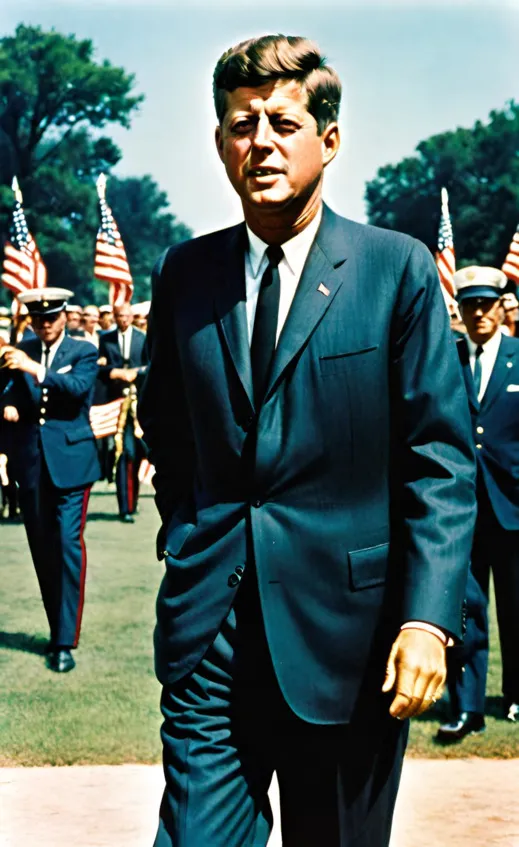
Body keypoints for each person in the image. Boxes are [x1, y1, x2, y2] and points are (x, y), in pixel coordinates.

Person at [139, 34, 476, 846]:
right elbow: (168, 432)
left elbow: (438, 462)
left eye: (283, 123)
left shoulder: (395, 271)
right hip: (211, 637)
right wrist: (187, 537)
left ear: (328, 140)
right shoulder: (185, 274)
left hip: (351, 646)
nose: (260, 142)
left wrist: (425, 621)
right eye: (241, 123)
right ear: (219, 142)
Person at [437, 267, 519, 741]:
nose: (479, 313)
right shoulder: (445, 359)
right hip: (460, 510)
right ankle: (467, 708)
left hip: (513, 508)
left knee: (516, 608)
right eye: (470, 305)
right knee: (465, 611)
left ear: (501, 308)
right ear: (462, 311)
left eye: (487, 304)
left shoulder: (518, 357)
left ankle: (516, 696)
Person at [0, 288, 100, 672]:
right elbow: (6, 390)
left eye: (51, 318)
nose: (44, 325)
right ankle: (56, 627)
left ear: (64, 316)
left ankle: (63, 641)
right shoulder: (20, 349)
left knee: (66, 544)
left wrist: (34, 369)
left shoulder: (82, 351)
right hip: (31, 462)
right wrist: (8, 404)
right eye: (38, 319)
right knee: (42, 549)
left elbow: (77, 389)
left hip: (72, 462)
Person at [98, 301, 148, 522]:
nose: (123, 319)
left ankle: (133, 499)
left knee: (137, 453)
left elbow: (152, 364)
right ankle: (124, 507)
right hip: (116, 404)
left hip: (140, 403)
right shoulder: (106, 339)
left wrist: (136, 373)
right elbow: (100, 368)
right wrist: (114, 372)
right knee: (123, 452)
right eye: (119, 316)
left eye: (126, 315)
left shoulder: (142, 338)